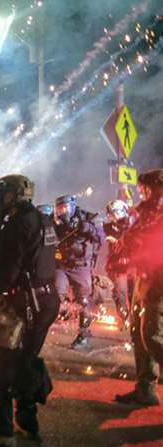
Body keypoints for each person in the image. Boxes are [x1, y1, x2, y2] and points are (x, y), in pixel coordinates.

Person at [0, 174, 59, 446]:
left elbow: (8, 270)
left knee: (1, 363)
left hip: (23, 306)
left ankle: (0, 430)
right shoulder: (42, 219)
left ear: (12, 196)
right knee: (24, 361)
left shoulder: (18, 224)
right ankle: (28, 424)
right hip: (45, 301)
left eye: (2, 195)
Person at [110, 169, 163, 406]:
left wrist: (131, 259)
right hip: (145, 279)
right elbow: (132, 238)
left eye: (146, 189)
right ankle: (145, 388)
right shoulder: (146, 213)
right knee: (138, 333)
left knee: (152, 336)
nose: (142, 193)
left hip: (159, 281)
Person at [53, 194, 101, 350]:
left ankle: (83, 335)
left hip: (81, 267)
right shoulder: (57, 224)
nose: (62, 212)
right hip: (62, 266)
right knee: (57, 292)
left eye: (64, 208)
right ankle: (64, 312)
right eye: (59, 209)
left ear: (72, 207)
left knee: (84, 301)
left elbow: (99, 237)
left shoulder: (86, 218)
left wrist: (87, 228)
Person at [103, 199, 134, 331]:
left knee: (134, 293)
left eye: (114, 213)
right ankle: (123, 317)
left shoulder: (133, 224)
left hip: (134, 263)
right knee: (119, 291)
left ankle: (136, 318)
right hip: (118, 265)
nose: (113, 217)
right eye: (110, 215)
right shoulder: (109, 227)